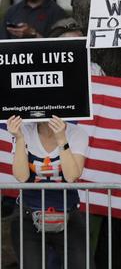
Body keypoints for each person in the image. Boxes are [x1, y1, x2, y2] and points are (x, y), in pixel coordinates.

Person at [7, 115, 91, 269]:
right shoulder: (24, 131)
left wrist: (61, 139)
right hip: (28, 215)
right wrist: (19, 138)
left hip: (68, 214)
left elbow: (72, 176)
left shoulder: (77, 133)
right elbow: (21, 176)